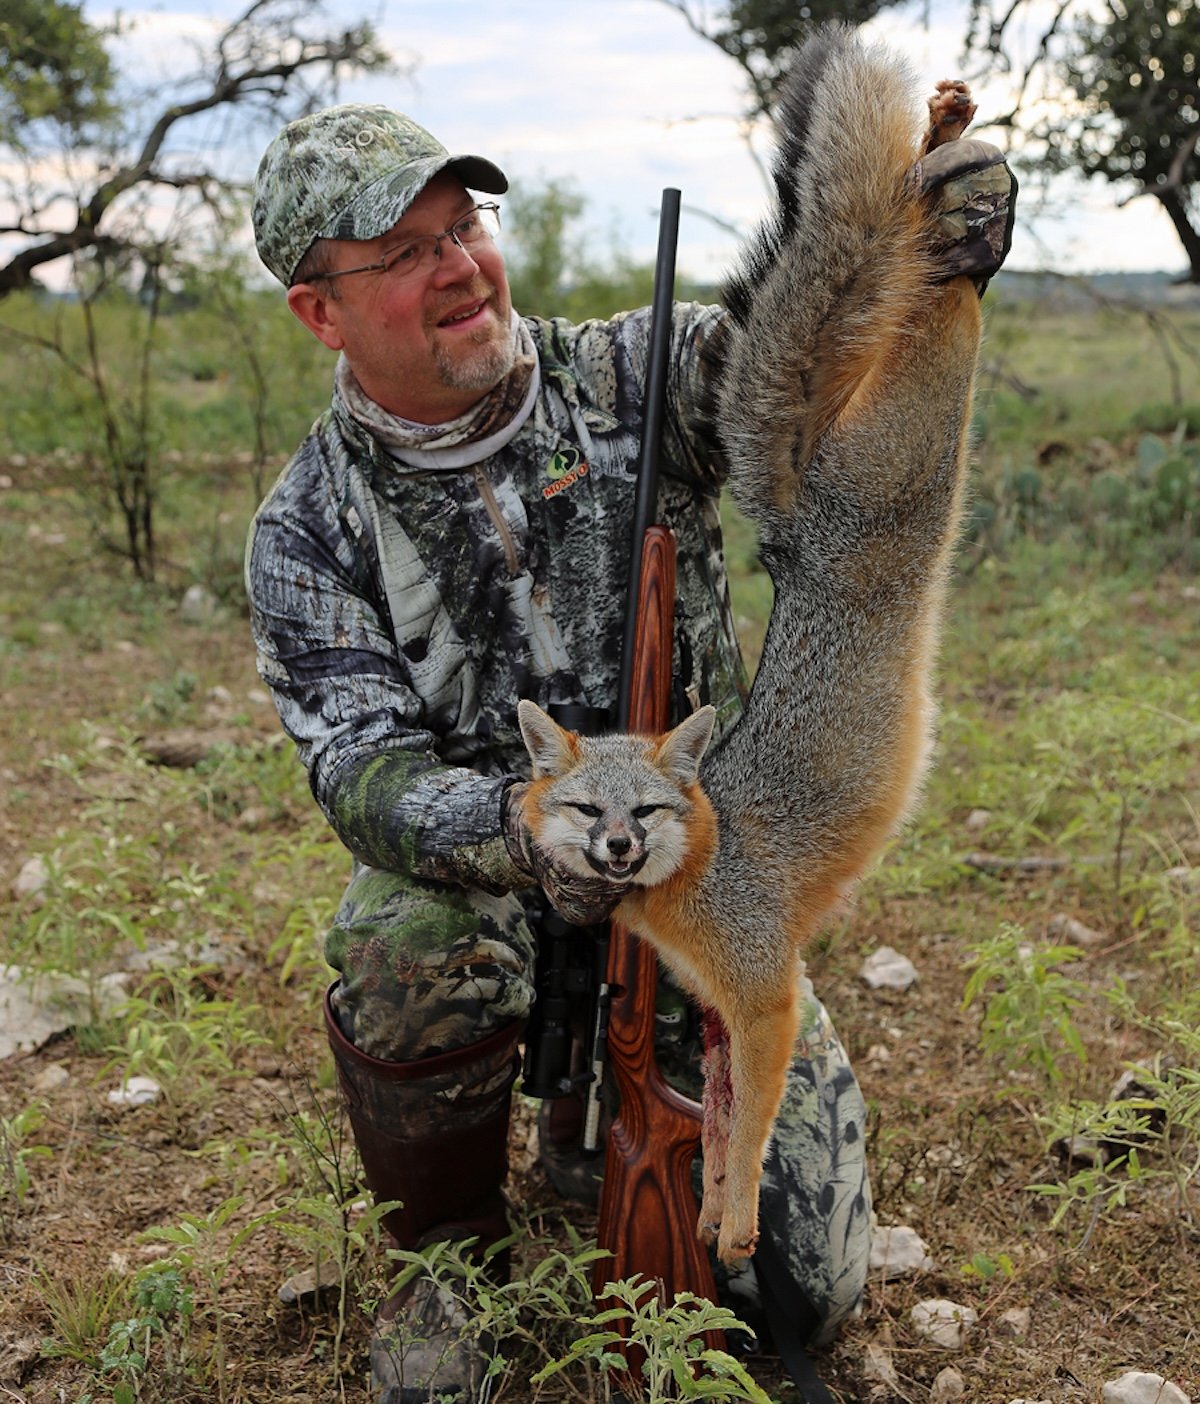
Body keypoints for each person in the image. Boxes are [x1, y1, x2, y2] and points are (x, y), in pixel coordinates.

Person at [247, 92, 1014, 1403]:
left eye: (465, 224)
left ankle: (610, 1122)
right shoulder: (307, 526)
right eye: (406, 251)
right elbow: (361, 773)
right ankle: (456, 1262)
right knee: (397, 937)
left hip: (697, 890)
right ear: (320, 309)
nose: (461, 265)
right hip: (500, 894)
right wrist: (518, 833)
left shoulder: (631, 377)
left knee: (803, 1296)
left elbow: (794, 354)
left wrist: (904, 242)